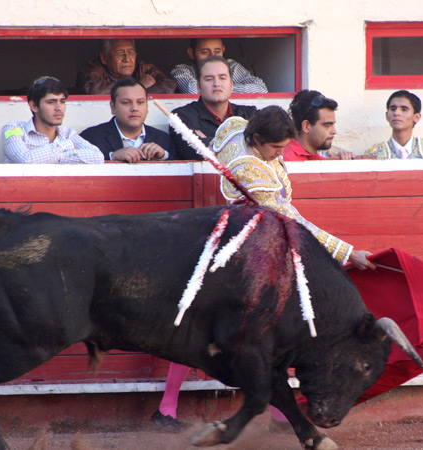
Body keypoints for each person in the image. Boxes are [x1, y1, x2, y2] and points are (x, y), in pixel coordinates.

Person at [151, 106, 375, 431]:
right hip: (242, 254)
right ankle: (167, 409)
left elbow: (223, 134)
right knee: (208, 328)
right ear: (256, 139)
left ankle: (278, 415)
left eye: (284, 146)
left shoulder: (239, 131)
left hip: (259, 248)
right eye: (275, 147)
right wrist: (346, 252)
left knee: (264, 332)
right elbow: (291, 218)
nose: (280, 154)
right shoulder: (248, 169)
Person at [170, 55, 257, 160]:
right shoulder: (181, 117)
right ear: (198, 87)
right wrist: (243, 142)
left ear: (231, 85)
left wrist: (210, 141)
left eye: (222, 78)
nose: (216, 84)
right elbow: (194, 151)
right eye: (209, 79)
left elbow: (265, 145)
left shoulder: (250, 114)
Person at [2, 76, 104, 164]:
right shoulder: (14, 128)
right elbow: (26, 160)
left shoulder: (67, 133)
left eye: (62, 101)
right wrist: (66, 145)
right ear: (34, 106)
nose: (59, 108)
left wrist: (46, 158)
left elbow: (98, 156)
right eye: (51, 102)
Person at [80, 77, 173, 162]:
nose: (134, 108)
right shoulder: (91, 138)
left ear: (147, 107)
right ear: (112, 107)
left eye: (140, 102)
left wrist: (163, 156)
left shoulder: (163, 139)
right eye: (126, 103)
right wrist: (112, 156)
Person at [365, 90, 423, 159]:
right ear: (387, 116)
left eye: (404, 109)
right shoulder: (374, 155)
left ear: (416, 117)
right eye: (393, 109)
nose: (396, 113)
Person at [76, 39, 176, 95]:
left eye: (131, 53)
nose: (127, 59)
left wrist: (129, 91)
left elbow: (168, 87)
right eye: (120, 53)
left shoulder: (143, 69)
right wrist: (138, 86)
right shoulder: (92, 70)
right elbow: (92, 90)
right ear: (104, 58)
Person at [170, 38, 268, 94]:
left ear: (223, 50)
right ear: (191, 53)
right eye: (205, 52)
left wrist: (218, 89)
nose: (212, 56)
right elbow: (193, 91)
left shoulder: (231, 66)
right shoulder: (182, 70)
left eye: (217, 51)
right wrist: (224, 89)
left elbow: (260, 89)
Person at [284, 90, 355, 161]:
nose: (334, 131)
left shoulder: (322, 157)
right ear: (306, 126)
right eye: (327, 125)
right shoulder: (286, 160)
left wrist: (339, 162)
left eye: (333, 125)